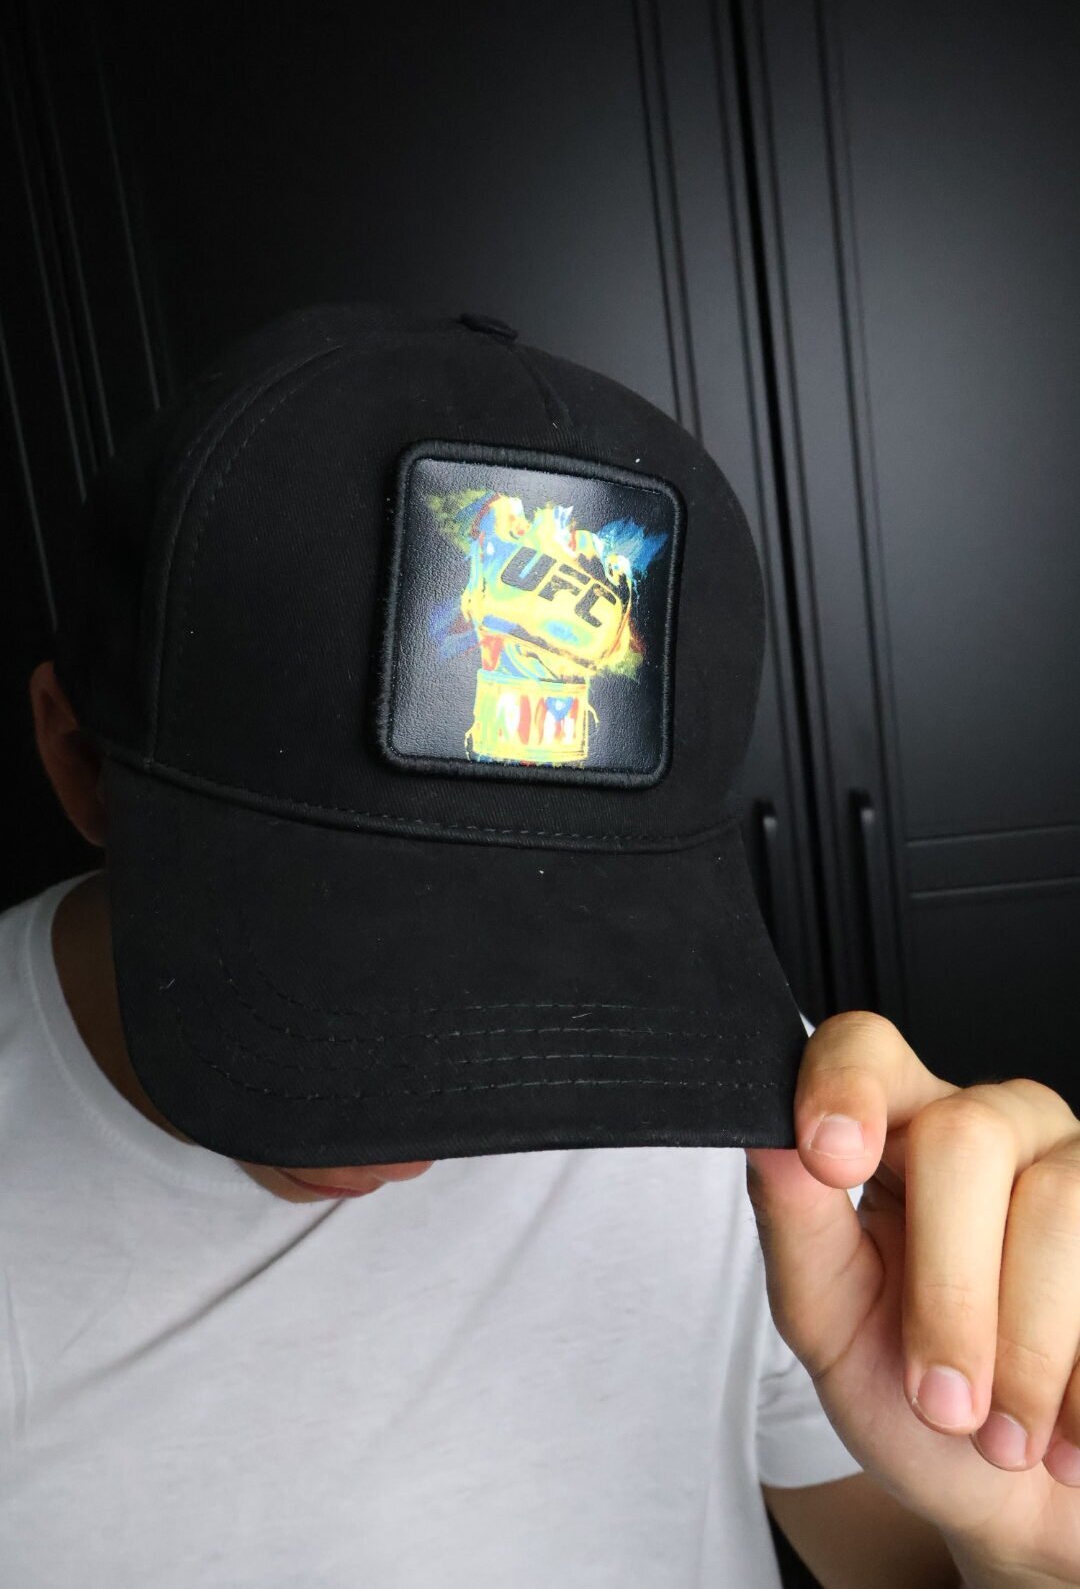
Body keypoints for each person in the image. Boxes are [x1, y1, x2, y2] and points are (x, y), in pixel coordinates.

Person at [1, 306, 975, 1586]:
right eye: (338, 952)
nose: (426, 1135)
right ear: (76, 759)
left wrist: (1023, 1544)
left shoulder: (743, 1121)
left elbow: (910, 1561)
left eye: (550, 954)